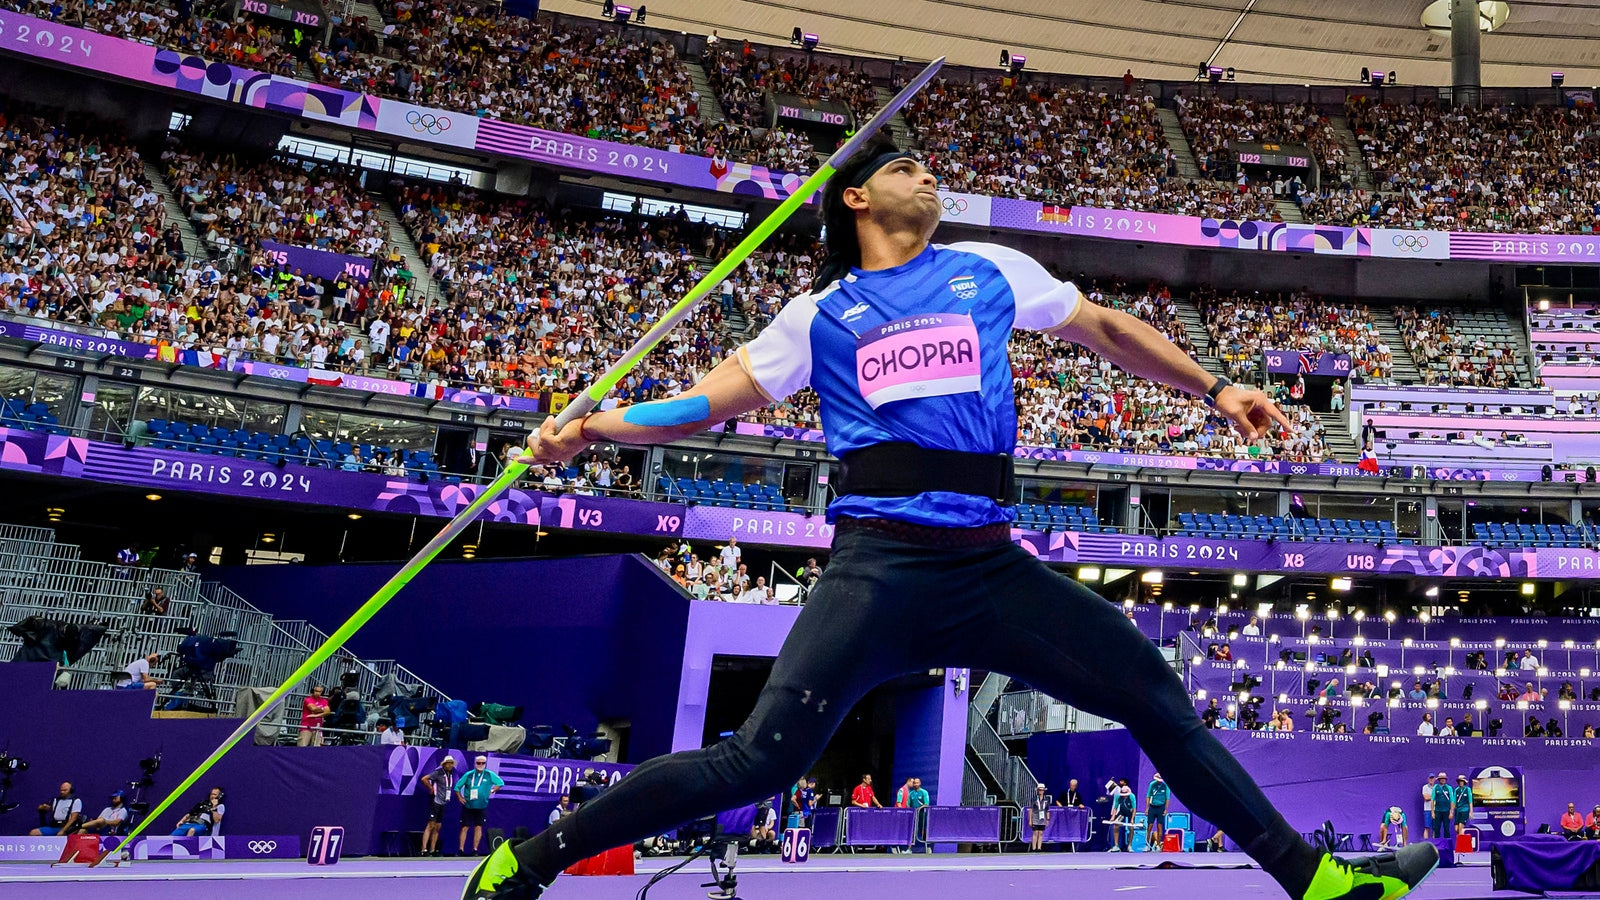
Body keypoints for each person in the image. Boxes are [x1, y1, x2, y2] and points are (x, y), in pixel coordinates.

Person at [465, 137, 1439, 900]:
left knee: (1153, 696)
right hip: (877, 574)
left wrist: (1216, 384)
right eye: (902, 165)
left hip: (988, 571)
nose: (925, 173)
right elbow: (710, 401)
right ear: (854, 199)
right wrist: (593, 424)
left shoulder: (985, 271)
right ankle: (532, 858)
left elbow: (1102, 328)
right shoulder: (820, 315)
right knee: (755, 763)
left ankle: (1314, 882)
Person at [457, 756, 505, 855]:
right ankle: (461, 849)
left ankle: (475, 849)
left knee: (478, 827)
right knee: (464, 827)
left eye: (483, 763)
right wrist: (460, 798)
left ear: (485, 764)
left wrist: (492, 790)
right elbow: (457, 787)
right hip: (468, 805)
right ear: (475, 763)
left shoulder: (489, 774)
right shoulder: (469, 774)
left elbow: (500, 783)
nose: (481, 765)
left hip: (481, 806)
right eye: (479, 763)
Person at [421, 757, 458, 857]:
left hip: (443, 803)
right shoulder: (438, 773)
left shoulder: (450, 774)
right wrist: (430, 788)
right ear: (444, 764)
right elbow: (424, 779)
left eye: (451, 763)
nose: (450, 765)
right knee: (430, 825)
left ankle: (432, 850)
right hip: (435, 802)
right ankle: (424, 849)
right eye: (448, 763)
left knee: (437, 827)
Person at [1108, 778, 1136, 852]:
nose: (1124, 796)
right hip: (1122, 812)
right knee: (1116, 825)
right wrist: (1113, 816)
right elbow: (1115, 807)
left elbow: (1134, 809)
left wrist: (1132, 819)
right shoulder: (1118, 796)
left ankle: (1129, 845)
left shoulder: (1132, 796)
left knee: (1131, 827)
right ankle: (1116, 845)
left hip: (1130, 812)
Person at [1145, 773, 1170, 852]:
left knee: (1159, 826)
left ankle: (1158, 845)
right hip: (1152, 807)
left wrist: (1166, 809)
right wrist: (1147, 808)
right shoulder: (1152, 784)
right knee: (1149, 826)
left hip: (1161, 807)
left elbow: (1167, 798)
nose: (1159, 782)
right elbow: (1148, 796)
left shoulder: (1166, 786)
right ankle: (1147, 845)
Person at [1429, 772, 1453, 840]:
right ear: (1439, 779)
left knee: (1446, 828)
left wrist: (1451, 812)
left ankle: (1447, 845)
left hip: (1446, 811)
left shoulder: (1449, 788)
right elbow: (1432, 800)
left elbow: (1452, 800)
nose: (1443, 780)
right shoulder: (1435, 787)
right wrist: (1432, 812)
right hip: (1437, 811)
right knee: (1437, 829)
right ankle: (1437, 845)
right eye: (1441, 779)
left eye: (1444, 779)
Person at [1029, 784, 1052, 851]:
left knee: (1041, 833)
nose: (1041, 791)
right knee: (1035, 832)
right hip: (1035, 818)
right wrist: (1030, 820)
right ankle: (1033, 848)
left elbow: (1047, 810)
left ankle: (1039, 848)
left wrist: (1048, 819)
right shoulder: (1034, 799)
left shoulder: (1046, 799)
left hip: (1043, 818)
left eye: (1042, 790)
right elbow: (1031, 809)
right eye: (1039, 790)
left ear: (1044, 791)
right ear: (1038, 790)